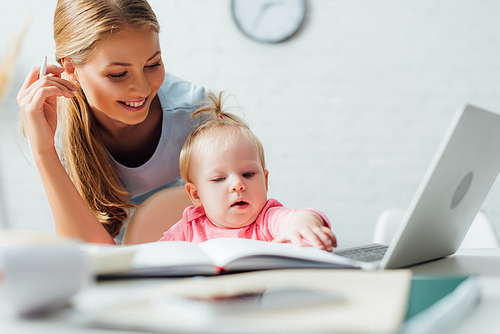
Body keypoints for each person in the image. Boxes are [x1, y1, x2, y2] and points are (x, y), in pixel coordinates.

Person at [16, 0, 204, 244]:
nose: (143, 88)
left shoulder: (194, 113)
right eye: (118, 74)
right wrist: (44, 152)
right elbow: (91, 255)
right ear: (71, 69)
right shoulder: (56, 130)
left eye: (153, 64)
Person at [158, 92, 337, 251]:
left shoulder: (266, 219)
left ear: (265, 181)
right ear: (196, 194)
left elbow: (298, 217)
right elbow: (154, 256)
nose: (238, 185)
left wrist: (302, 224)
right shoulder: (190, 227)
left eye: (248, 174)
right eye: (219, 179)